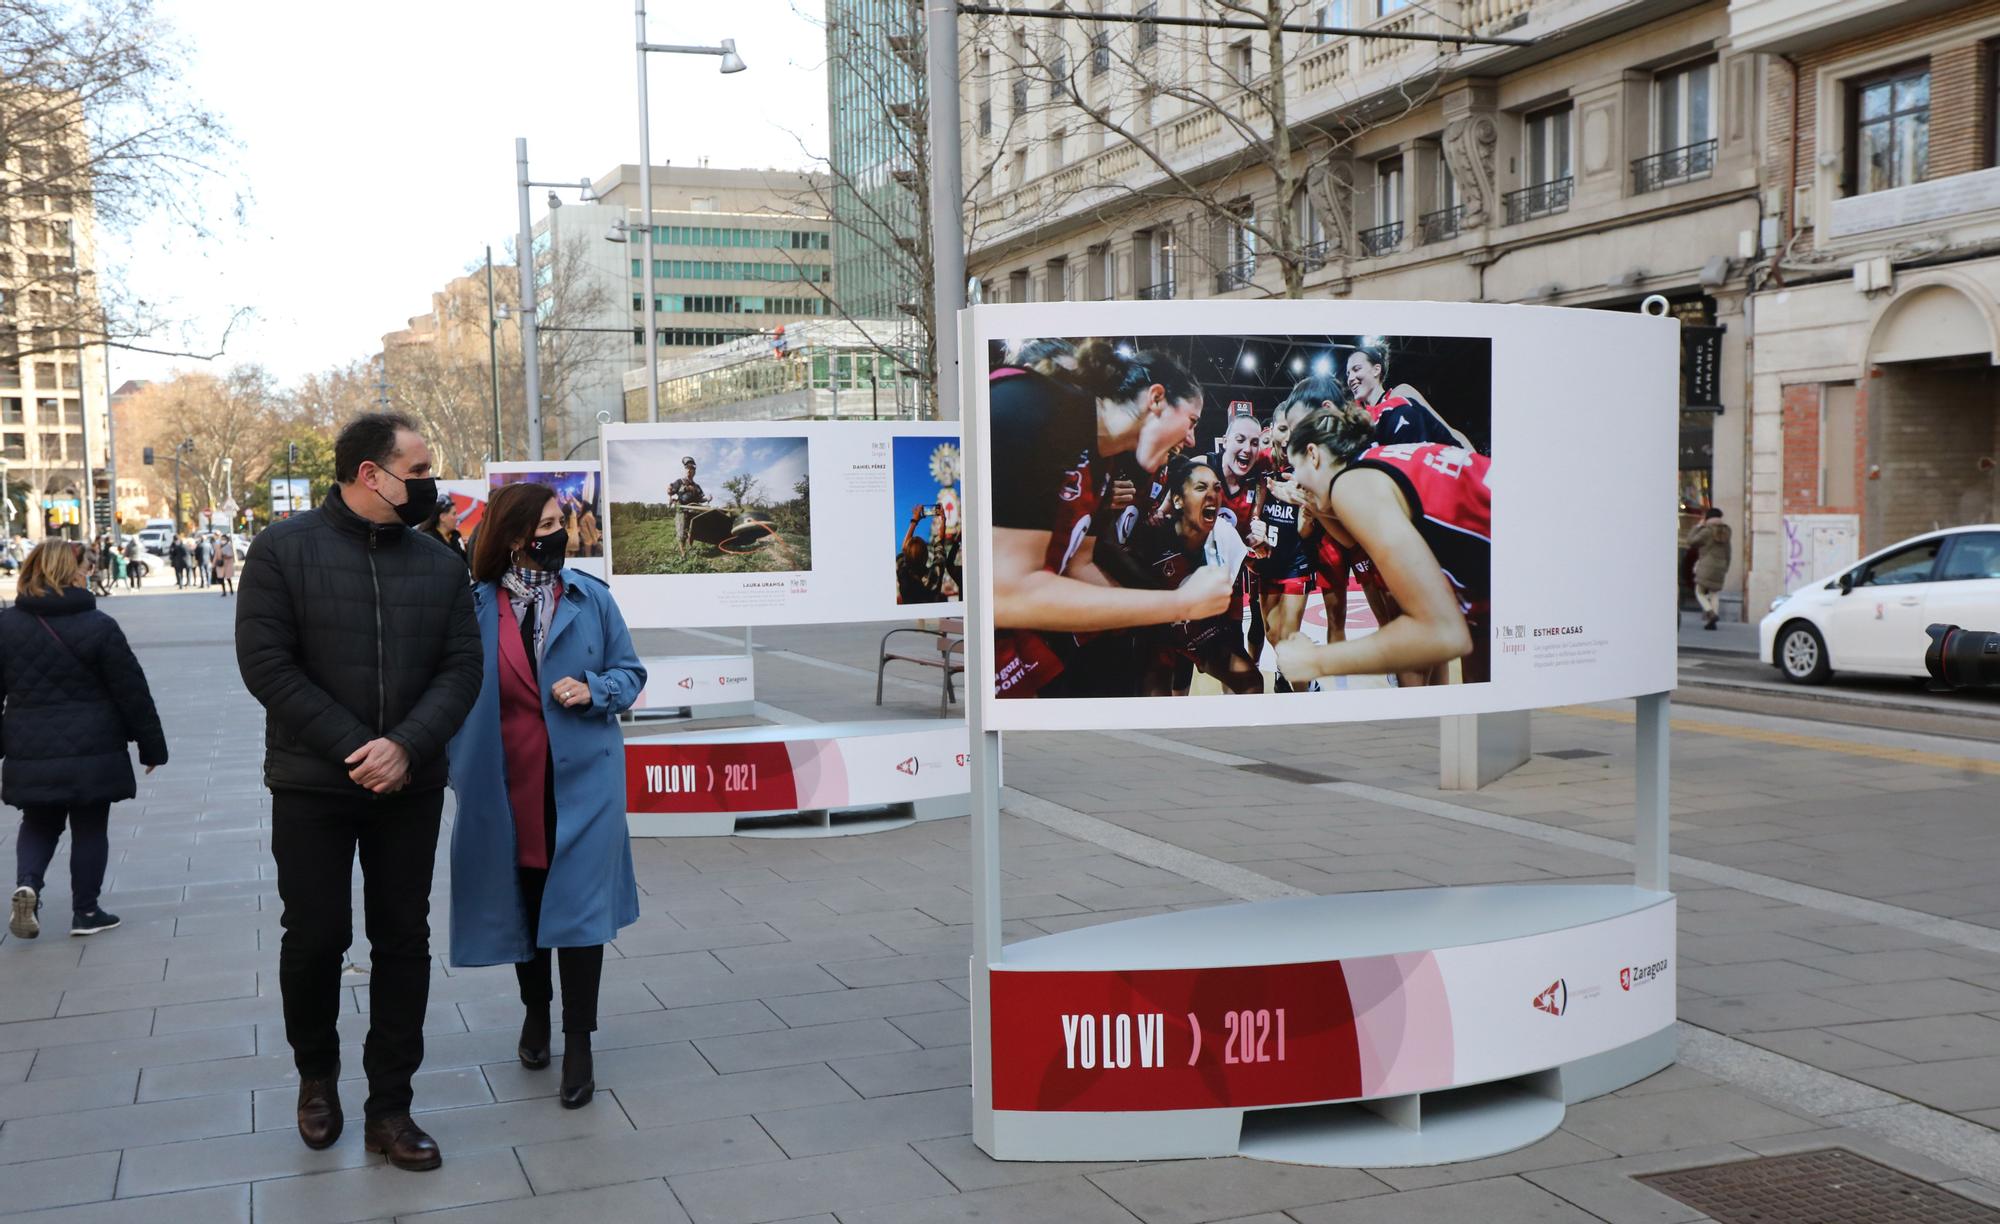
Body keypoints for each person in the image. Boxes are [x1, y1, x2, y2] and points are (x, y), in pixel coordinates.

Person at [235, 411, 481, 1172]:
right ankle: (316, 1076)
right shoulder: (282, 550)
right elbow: (267, 665)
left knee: (403, 940)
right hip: (313, 785)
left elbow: (461, 668)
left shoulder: (439, 564)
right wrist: (356, 748)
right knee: (314, 939)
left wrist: (405, 747)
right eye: (418, 468)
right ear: (370, 474)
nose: (429, 482)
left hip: (410, 785)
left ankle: (391, 1108)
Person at [446, 482, 644, 1111]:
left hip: (583, 784)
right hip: (507, 786)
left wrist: (596, 689)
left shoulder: (592, 598)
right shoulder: (471, 606)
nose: (563, 532)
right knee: (524, 904)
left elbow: (631, 673)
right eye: (551, 523)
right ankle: (536, 1012)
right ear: (514, 536)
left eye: (562, 520)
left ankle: (579, 1042)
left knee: (581, 916)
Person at [989, 339, 1228, 698]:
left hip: (1026, 638)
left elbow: (1079, 564)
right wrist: (1178, 604)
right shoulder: (1037, 408)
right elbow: (1008, 594)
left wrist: (1166, 621)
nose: (1192, 440)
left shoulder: (1099, 454)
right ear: (1157, 398)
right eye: (1191, 421)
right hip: (999, 641)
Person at [3, 542, 167, 940]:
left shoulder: (6, 626)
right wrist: (151, 746)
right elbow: (131, 691)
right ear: (72, 572)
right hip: (94, 745)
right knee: (90, 825)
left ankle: (28, 884)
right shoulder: (98, 625)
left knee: (39, 821)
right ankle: (86, 911)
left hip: (30, 746)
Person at [1275, 404, 1491, 688]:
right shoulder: (1372, 461)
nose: (1299, 484)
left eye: (1296, 468)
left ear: (1313, 455)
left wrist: (1315, 660)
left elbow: (1443, 633)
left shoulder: (1350, 485)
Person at [1127, 456, 1262, 697]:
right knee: (1156, 704)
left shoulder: (1224, 533)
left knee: (1251, 681)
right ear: (1177, 500)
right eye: (1201, 487)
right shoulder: (1151, 537)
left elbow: (1251, 562)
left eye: (1217, 488)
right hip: (1158, 632)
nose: (1212, 494)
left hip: (1200, 629)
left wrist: (1262, 551)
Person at [1343, 346, 1474, 450]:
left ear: (1376, 370)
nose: (1350, 379)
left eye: (1356, 369)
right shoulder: (1357, 416)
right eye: (1348, 374)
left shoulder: (1401, 393)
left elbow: (1448, 430)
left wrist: (1476, 462)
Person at [1686, 508, 1732, 630]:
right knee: (1714, 592)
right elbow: (1728, 551)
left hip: (1707, 565)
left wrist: (1698, 526)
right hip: (1721, 566)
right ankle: (1712, 622)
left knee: (1699, 591)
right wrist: (1726, 566)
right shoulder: (1726, 532)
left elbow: (1691, 541)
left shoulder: (1706, 531)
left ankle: (1710, 612)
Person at [668, 457, 705, 552]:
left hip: (694, 510)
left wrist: (707, 499)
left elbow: (700, 499)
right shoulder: (679, 482)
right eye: (687, 468)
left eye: (691, 468)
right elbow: (670, 491)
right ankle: (683, 553)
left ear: (694, 472)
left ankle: (690, 547)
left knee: (693, 531)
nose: (689, 470)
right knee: (681, 533)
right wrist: (669, 490)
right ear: (685, 470)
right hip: (682, 510)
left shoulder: (697, 487)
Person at [421, 495, 466, 562]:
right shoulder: (428, 540)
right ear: (442, 517)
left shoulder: (454, 538)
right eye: (454, 514)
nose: (457, 517)